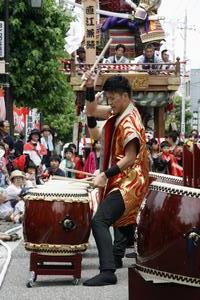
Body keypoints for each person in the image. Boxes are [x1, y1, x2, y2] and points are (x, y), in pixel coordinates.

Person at [83, 73, 149, 286]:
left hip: (131, 182)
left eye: (112, 99)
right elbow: (91, 111)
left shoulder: (130, 121)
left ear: (124, 96)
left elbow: (130, 158)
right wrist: (89, 88)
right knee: (126, 227)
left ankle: (108, 271)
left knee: (100, 220)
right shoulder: (122, 110)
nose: (109, 103)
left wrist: (105, 174)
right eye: (108, 99)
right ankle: (139, 257)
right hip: (122, 179)